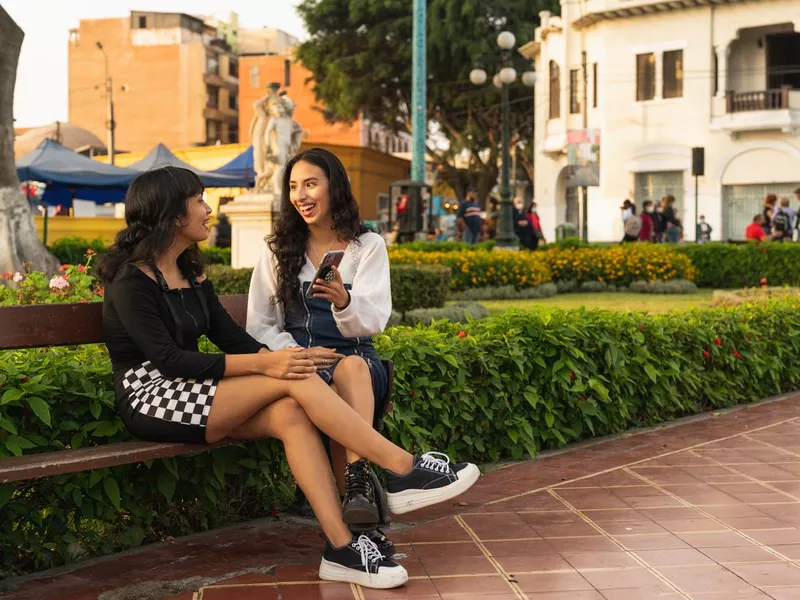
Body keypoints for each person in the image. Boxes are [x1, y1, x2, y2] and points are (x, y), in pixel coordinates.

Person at [97, 165, 480, 590]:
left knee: (290, 412)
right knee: (290, 377)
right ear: (171, 214)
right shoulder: (131, 282)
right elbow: (169, 361)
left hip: (195, 391)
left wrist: (283, 358)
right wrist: (272, 364)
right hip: (152, 395)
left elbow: (231, 338)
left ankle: (342, 549)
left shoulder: (191, 274)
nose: (209, 210)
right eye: (200, 201)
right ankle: (402, 468)